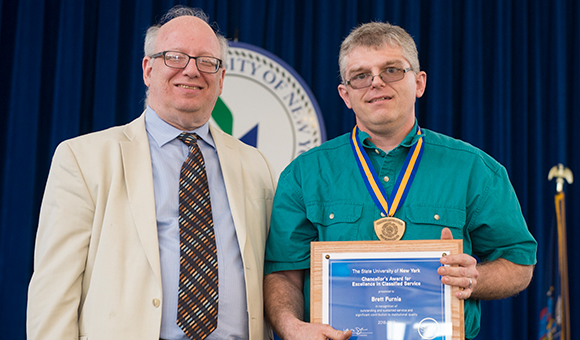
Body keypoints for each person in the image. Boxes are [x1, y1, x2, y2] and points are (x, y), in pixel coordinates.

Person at [263, 22, 537, 340]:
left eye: (391, 70)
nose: (376, 83)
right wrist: (291, 327)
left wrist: (474, 277)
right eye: (361, 75)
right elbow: (283, 272)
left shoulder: (475, 170)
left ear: (419, 82)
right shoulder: (303, 174)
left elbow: (518, 263)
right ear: (345, 94)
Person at [27, 6, 276, 340]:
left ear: (221, 79)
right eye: (175, 57)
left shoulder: (255, 164)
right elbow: (54, 290)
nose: (191, 70)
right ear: (148, 69)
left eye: (206, 61)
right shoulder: (83, 159)